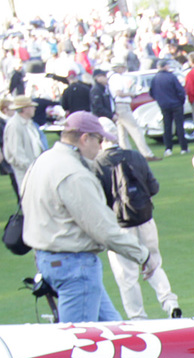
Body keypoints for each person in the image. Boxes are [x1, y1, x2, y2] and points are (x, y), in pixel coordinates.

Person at [20, 111, 151, 323]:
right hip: (73, 265)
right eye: (99, 140)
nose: (100, 147)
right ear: (84, 138)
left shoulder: (43, 160)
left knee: (113, 332)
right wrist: (143, 255)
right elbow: (103, 229)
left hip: (48, 257)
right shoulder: (74, 174)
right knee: (76, 344)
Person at [97, 132, 180, 319]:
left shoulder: (98, 164)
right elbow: (153, 187)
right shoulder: (135, 155)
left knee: (127, 276)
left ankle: (138, 318)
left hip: (119, 226)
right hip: (145, 219)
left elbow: (98, 201)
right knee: (153, 264)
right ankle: (170, 302)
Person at [107, 61, 155, 159]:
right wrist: (131, 94)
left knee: (122, 133)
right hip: (122, 105)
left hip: (118, 105)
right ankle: (146, 153)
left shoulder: (111, 78)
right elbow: (119, 93)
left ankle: (127, 155)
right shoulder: (117, 78)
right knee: (135, 129)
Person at [3, 94, 47, 184]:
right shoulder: (14, 125)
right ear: (24, 109)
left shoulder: (30, 123)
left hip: (37, 166)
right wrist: (30, 168)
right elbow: (17, 152)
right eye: (31, 107)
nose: (34, 109)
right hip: (26, 171)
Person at [149, 59, 187, 156]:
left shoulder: (155, 79)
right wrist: (181, 101)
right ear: (165, 66)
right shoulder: (171, 77)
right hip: (176, 104)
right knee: (179, 126)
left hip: (164, 105)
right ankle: (183, 147)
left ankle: (168, 148)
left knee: (167, 127)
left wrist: (160, 101)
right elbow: (180, 91)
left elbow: (152, 93)